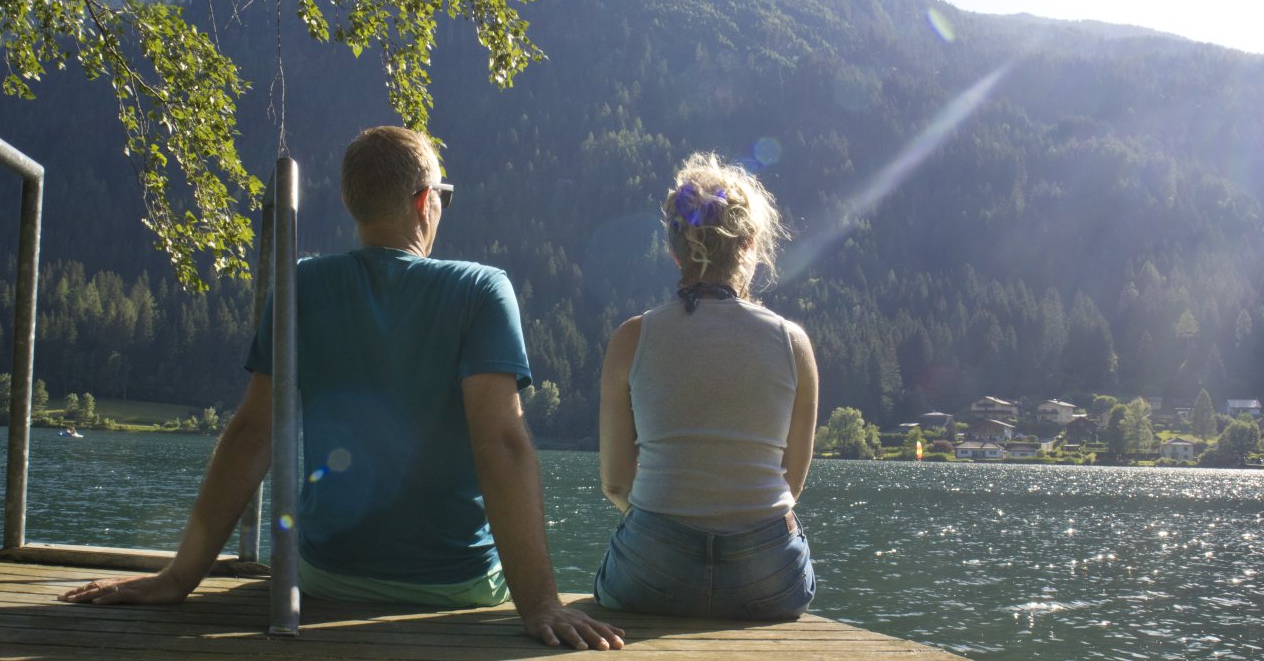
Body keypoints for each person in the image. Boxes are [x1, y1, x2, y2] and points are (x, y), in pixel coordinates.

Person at [60, 126, 624, 650]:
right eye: (443, 198)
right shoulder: (481, 289)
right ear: (424, 201)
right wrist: (542, 603)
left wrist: (179, 577)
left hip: (325, 577)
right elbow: (500, 444)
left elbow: (252, 434)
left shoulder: (301, 282)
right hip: (456, 587)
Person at [593, 152, 819, 620]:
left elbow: (615, 482)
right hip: (768, 572)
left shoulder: (632, 338)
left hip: (654, 566)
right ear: (749, 245)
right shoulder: (792, 343)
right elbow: (791, 483)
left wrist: (670, 535)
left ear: (674, 251)